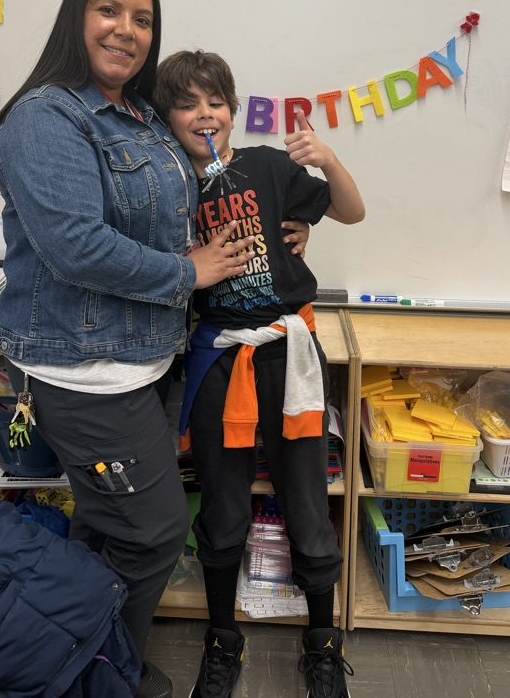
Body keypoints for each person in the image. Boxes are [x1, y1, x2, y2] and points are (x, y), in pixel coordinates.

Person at [0, 0, 272, 698]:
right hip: (85, 371)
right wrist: (189, 273)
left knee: (107, 526)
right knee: (156, 530)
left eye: (142, 19)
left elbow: (180, 201)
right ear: (77, 16)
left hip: (143, 360)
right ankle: (103, 674)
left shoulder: (137, 114)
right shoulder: (47, 116)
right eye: (109, 10)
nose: (126, 30)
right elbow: (76, 247)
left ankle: (76, 662)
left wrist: (269, 220)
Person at [153, 50, 365, 698]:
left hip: (289, 356)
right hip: (218, 361)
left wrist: (326, 158)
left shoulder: (267, 166)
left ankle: (322, 645)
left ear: (234, 109)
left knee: (306, 504)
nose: (205, 114)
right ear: (167, 117)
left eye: (215, 100)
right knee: (222, 510)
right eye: (187, 103)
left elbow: (352, 212)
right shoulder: (163, 189)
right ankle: (223, 641)